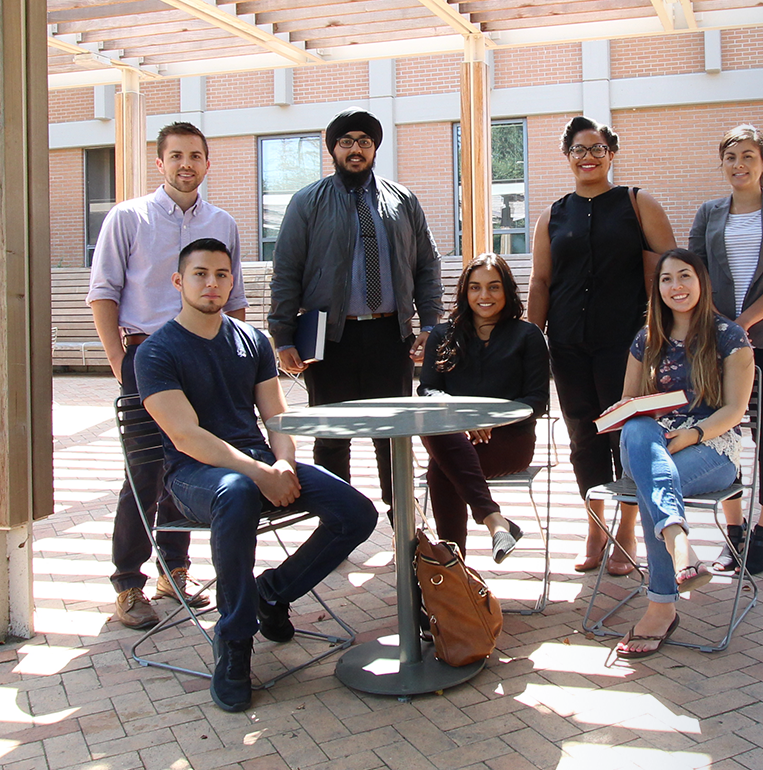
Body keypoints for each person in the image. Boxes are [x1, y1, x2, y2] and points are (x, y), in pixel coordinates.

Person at [137, 238, 377, 713]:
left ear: (232, 280)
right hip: (195, 476)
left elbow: (278, 418)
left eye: (222, 274)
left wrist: (283, 463)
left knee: (357, 513)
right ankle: (234, 643)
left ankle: (272, 592)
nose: (212, 283)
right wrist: (259, 472)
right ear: (179, 282)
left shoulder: (251, 341)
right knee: (238, 493)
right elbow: (186, 437)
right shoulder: (157, 351)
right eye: (201, 274)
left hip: (256, 466)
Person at [86, 121, 241, 629]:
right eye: (176, 156)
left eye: (195, 156)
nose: (186, 165)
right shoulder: (127, 218)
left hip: (206, 358)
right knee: (145, 471)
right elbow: (103, 292)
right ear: (160, 162)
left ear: (207, 163)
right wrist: (119, 364)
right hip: (145, 356)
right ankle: (128, 583)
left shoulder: (223, 223)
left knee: (192, 464)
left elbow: (233, 303)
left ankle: (173, 571)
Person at [270, 107, 442, 509]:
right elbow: (286, 271)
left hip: (389, 335)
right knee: (331, 437)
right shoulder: (306, 202)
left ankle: (402, 519)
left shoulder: (402, 200)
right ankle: (337, 518)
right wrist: (282, 336)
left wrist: (430, 323)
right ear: (333, 149)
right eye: (346, 142)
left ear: (375, 148)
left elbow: (426, 264)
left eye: (364, 142)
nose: (355, 150)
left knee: (394, 435)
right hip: (330, 339)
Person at [527, 116, 676, 577]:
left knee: (628, 436)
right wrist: (531, 341)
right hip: (568, 344)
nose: (587, 156)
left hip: (628, 345)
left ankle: (627, 528)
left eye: (596, 148)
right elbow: (541, 281)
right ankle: (596, 528)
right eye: (578, 149)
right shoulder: (553, 215)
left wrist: (666, 334)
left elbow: (672, 269)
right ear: (567, 156)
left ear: (611, 154)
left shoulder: (637, 203)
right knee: (583, 440)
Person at [612, 248, 754, 659]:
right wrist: (632, 415)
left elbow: (734, 410)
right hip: (650, 441)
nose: (676, 286)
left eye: (684, 276)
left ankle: (661, 606)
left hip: (710, 446)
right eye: (666, 279)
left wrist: (690, 435)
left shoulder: (730, 337)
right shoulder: (646, 339)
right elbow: (629, 400)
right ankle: (678, 544)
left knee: (650, 484)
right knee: (640, 431)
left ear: (701, 282)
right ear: (657, 289)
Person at [688, 124, 763, 574]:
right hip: (716, 344)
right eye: (731, 156)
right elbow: (696, 273)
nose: (739, 165)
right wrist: (722, 330)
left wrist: (743, 325)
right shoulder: (708, 212)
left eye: (748, 156)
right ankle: (734, 532)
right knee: (725, 432)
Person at [417, 253, 550, 561]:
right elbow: (428, 390)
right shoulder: (442, 334)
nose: (484, 295)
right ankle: (495, 523)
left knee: (441, 469)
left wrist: (491, 419)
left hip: (510, 440)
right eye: (475, 287)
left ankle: (454, 568)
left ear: (507, 291)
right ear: (465, 292)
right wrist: (463, 418)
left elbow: (536, 400)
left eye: (493, 287)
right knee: (436, 430)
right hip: (455, 436)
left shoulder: (527, 335)